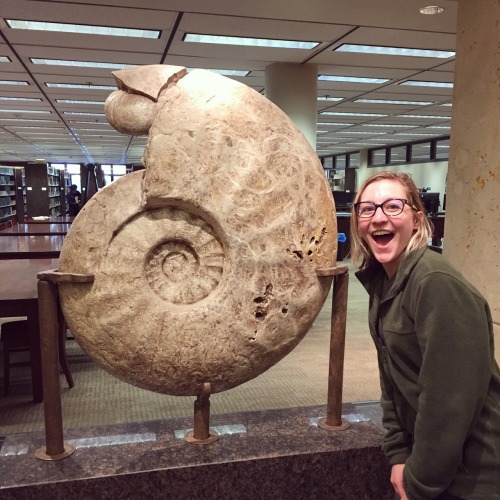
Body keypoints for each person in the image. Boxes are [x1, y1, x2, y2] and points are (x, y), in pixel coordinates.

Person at [349, 171, 500, 500]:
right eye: (368, 209)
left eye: (392, 206)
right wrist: (399, 453)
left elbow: (448, 404)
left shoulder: (435, 282)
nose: (378, 218)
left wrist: (420, 484)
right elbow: (391, 385)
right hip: (432, 468)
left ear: (417, 219)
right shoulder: (384, 282)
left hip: (473, 478)